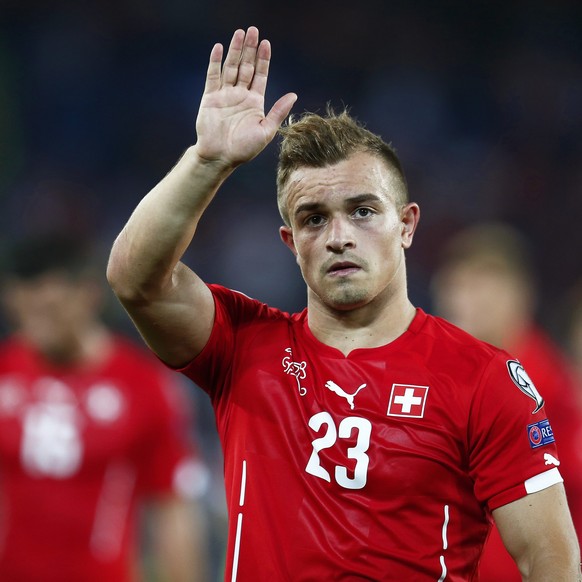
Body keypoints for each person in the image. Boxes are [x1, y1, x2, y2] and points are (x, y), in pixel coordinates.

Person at [107, 26, 581, 580]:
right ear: (290, 242)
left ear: (406, 225)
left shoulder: (485, 379)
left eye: (362, 211)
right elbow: (135, 279)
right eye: (313, 218)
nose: (338, 236)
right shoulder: (241, 345)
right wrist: (207, 161)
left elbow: (551, 562)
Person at [0, 232, 209, 582]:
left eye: (50, 307)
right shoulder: (5, 372)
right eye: (25, 308)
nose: (35, 323)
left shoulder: (142, 384)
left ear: (87, 295)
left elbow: (172, 509)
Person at [430, 221, 582, 581]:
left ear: (519, 295)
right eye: (458, 287)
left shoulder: (542, 383)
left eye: (481, 287)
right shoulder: (446, 375)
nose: (465, 302)